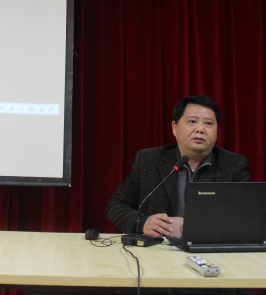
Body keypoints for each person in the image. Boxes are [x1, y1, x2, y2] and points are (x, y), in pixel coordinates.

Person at [106, 95, 250, 237]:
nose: (200, 129)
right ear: (175, 128)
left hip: (208, 248)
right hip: (158, 247)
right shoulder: (149, 161)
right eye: (192, 121)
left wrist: (187, 227)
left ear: (217, 130)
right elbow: (116, 205)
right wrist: (143, 222)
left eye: (208, 123)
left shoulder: (233, 165)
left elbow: (247, 216)